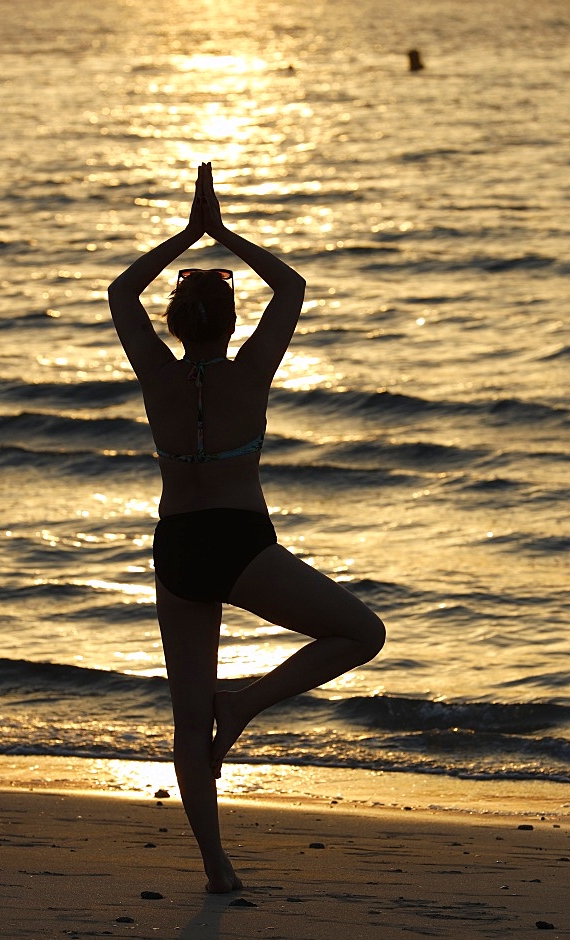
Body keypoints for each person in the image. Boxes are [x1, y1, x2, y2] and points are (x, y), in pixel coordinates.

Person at [108, 163, 386, 893]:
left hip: (177, 548)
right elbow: (291, 288)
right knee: (362, 634)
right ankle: (248, 704)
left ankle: (216, 869)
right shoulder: (249, 374)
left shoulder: (156, 378)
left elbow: (118, 292)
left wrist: (183, 236)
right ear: (232, 325)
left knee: (185, 721)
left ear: (173, 324)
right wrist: (222, 232)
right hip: (237, 543)